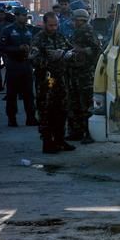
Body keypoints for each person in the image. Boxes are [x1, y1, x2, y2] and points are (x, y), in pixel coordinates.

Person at [30, 12, 74, 153]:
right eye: (51, 25)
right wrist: (51, 59)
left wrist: (67, 54)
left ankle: (60, 140)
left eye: (56, 25)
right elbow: (33, 59)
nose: (54, 28)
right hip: (46, 80)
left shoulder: (60, 36)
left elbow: (69, 49)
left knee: (62, 109)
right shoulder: (39, 39)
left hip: (60, 79)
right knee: (46, 110)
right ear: (44, 24)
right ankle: (48, 142)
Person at [66, 9, 102, 143]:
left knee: (86, 104)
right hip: (76, 73)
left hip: (85, 74)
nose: (73, 22)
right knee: (75, 103)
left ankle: (88, 133)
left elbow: (96, 50)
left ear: (80, 20)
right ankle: (77, 131)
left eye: (75, 20)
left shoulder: (88, 32)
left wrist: (81, 51)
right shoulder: (79, 31)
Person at [0, 7, 37, 127]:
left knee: (29, 93)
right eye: (22, 15)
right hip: (13, 64)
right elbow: (3, 47)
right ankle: (12, 118)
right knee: (12, 93)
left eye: (26, 15)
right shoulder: (8, 30)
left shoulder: (30, 29)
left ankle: (30, 118)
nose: (25, 17)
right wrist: (17, 49)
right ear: (16, 16)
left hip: (26, 64)